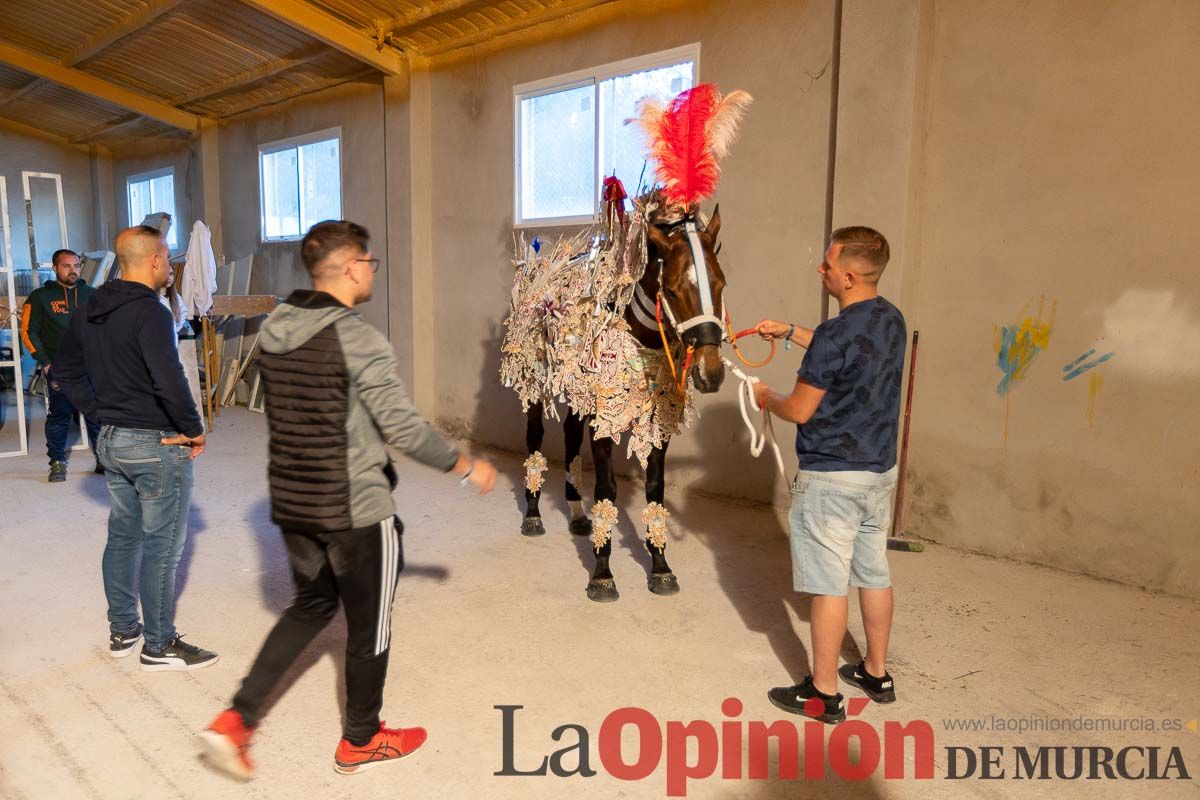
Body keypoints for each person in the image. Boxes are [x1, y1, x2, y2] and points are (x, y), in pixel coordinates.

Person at [198, 220, 498, 781]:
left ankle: (236, 720)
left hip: (292, 501)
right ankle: (362, 739)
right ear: (353, 266)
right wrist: (466, 466)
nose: (372, 272)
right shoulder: (358, 338)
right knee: (371, 626)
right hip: (355, 511)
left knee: (311, 605)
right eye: (370, 262)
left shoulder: (276, 326)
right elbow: (403, 430)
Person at [751, 226, 906, 724]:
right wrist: (793, 332)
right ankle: (876, 674)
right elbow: (848, 350)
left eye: (827, 264)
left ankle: (822, 694)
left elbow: (798, 409)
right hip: (879, 473)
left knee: (829, 586)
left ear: (849, 274)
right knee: (874, 573)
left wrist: (766, 398)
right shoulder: (891, 320)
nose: (820, 270)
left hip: (832, 479)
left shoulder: (837, 334)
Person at [53, 225, 217, 671]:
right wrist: (193, 428)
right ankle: (159, 645)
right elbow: (170, 379)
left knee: (124, 536)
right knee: (163, 547)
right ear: (155, 261)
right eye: (166, 258)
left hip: (111, 442)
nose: (169, 266)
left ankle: (124, 630)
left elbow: (63, 371)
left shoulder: (90, 308)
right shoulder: (152, 312)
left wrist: (100, 412)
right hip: (154, 444)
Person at [20, 248, 100, 481]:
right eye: (67, 266)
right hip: (59, 368)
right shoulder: (39, 297)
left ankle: (103, 459)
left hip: (91, 367)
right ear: (55, 268)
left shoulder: (92, 295)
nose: (73, 270)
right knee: (60, 416)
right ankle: (56, 462)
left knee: (97, 415)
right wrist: (44, 362)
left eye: (76, 266)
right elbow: (29, 332)